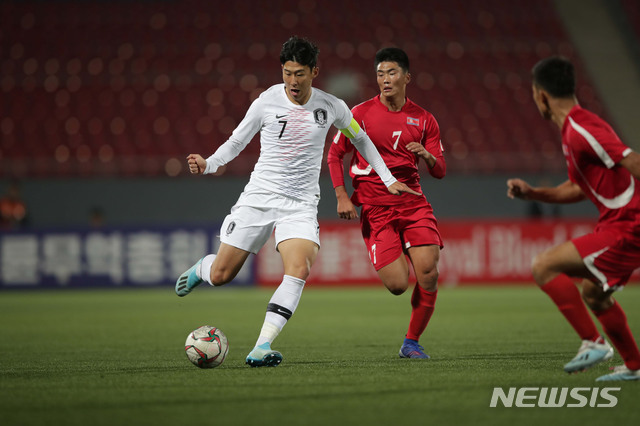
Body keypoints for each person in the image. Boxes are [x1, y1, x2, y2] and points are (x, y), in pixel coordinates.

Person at [175, 36, 419, 368]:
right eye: (287, 73)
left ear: (314, 72)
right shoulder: (266, 101)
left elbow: (360, 140)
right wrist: (209, 163)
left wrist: (389, 178)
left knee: (299, 267)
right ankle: (203, 268)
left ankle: (261, 346)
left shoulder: (332, 106)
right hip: (259, 198)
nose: (292, 81)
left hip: (301, 204)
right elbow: (236, 141)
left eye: (299, 73)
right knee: (221, 275)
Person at [507, 56, 640, 381]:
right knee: (593, 294)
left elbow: (631, 159)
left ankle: (593, 342)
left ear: (541, 95)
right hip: (617, 223)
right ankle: (635, 366)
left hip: (630, 225)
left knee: (544, 265)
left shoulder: (581, 128)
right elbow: (577, 188)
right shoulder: (574, 129)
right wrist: (534, 193)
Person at [327, 47, 446, 359]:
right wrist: (341, 195)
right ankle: (392, 247)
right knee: (397, 284)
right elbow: (334, 154)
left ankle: (412, 342)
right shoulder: (360, 115)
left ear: (407, 77)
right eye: (380, 74)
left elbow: (440, 171)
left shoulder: (424, 119)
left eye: (391, 73)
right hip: (376, 208)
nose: (385, 79)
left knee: (429, 272)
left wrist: (429, 156)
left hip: (413, 203)